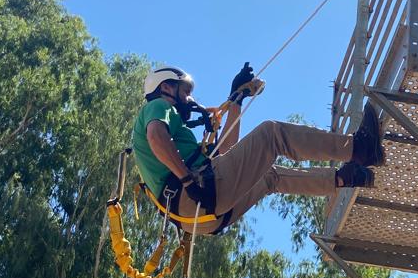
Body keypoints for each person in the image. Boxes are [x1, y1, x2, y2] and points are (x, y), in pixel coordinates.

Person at [132, 63, 385, 233]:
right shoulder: (158, 107)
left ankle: (345, 178)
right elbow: (156, 136)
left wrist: (236, 101)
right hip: (194, 196)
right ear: (166, 87)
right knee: (272, 134)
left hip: (201, 216)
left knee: (268, 176)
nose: (190, 99)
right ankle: (358, 149)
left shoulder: (182, 145)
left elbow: (226, 150)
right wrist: (188, 181)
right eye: (186, 91)